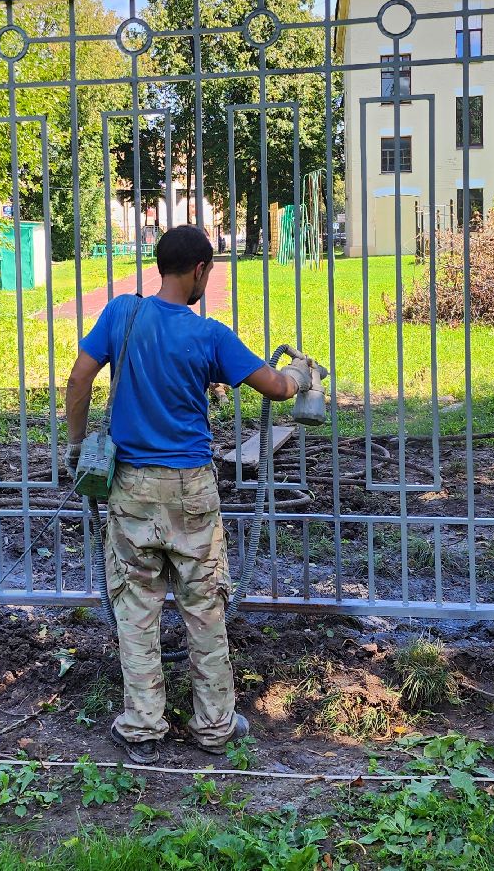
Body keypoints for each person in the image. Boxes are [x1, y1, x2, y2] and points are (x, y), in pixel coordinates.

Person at [63, 225, 314, 765]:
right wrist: (299, 373)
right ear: (200, 270)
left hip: (131, 486)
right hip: (193, 488)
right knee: (204, 608)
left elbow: (79, 380)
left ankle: (143, 728)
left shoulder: (121, 314)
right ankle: (215, 726)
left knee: (136, 607)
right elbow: (275, 387)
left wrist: (77, 445)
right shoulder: (210, 335)